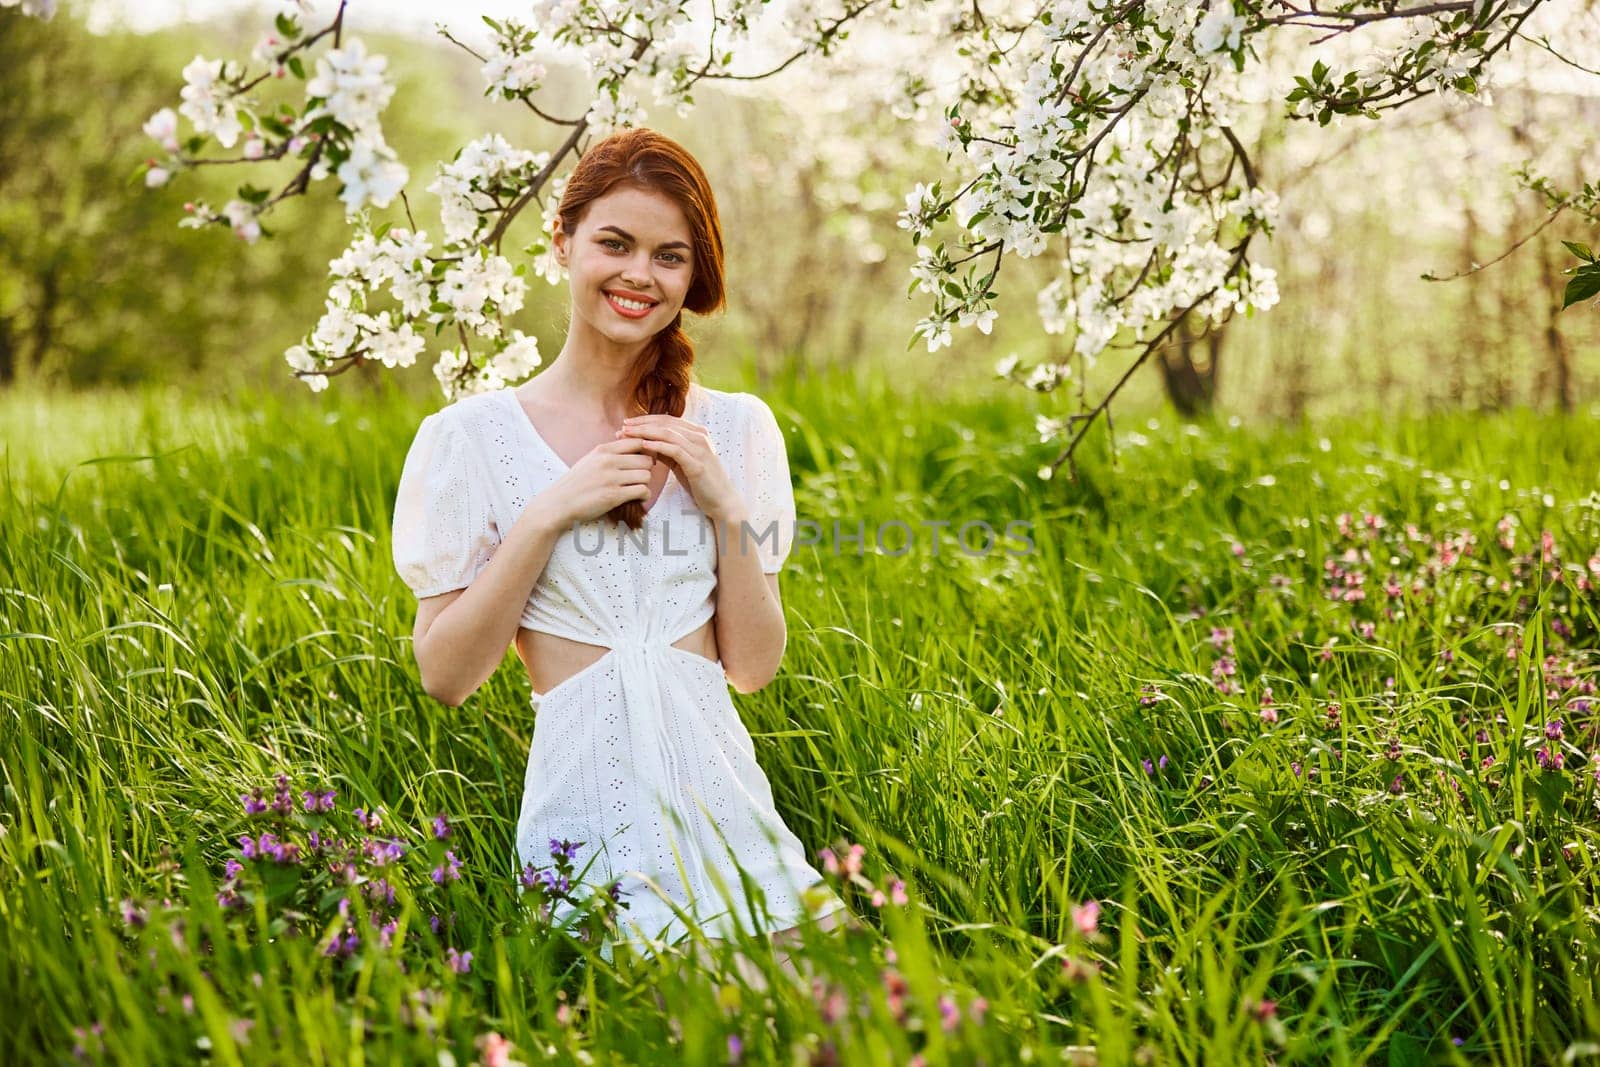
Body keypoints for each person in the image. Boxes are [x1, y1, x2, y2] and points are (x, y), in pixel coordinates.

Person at [390, 127, 853, 978]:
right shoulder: (472, 439)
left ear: (693, 274)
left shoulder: (736, 430)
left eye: (669, 256)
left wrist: (721, 504)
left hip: (735, 825)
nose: (640, 275)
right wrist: (547, 514)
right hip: (591, 839)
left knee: (859, 1023)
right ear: (562, 242)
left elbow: (752, 665)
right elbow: (445, 676)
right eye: (615, 243)